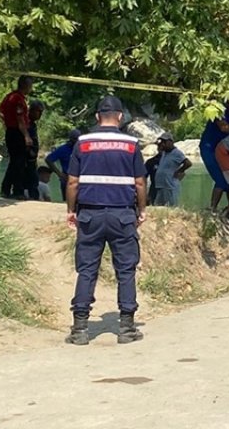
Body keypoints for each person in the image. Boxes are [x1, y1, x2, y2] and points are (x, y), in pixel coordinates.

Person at [64, 95, 147, 346]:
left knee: (87, 269)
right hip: (122, 215)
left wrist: (71, 210)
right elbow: (140, 182)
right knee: (126, 270)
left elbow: (72, 181)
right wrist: (141, 210)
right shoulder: (132, 144)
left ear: (97, 116)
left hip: (89, 215)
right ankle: (127, 327)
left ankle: (80, 328)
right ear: (120, 117)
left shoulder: (83, 142)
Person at [199, 100, 229, 212]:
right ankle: (212, 208)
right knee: (221, 178)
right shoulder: (219, 109)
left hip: (226, 149)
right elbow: (224, 127)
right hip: (210, 147)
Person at [0, 76, 33, 199]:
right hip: (17, 133)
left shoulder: (9, 97)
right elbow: (20, 120)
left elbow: (0, 112)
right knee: (19, 163)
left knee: (14, 162)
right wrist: (26, 136)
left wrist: (7, 122)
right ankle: (17, 191)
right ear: (25, 85)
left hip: (10, 132)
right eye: (30, 85)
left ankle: (6, 189)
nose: (31, 88)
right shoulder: (18, 99)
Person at [152, 132, 191, 206]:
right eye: (162, 142)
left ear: (171, 142)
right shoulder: (164, 153)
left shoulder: (177, 153)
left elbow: (188, 163)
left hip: (169, 185)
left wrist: (180, 171)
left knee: (170, 207)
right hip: (161, 185)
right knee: (158, 205)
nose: (163, 144)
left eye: (165, 142)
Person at [45, 129, 82, 202]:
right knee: (67, 202)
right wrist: (59, 174)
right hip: (67, 178)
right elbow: (48, 159)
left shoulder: (82, 148)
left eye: (78, 139)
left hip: (81, 178)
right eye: (74, 139)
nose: (76, 141)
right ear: (70, 139)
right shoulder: (63, 149)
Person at [24, 100, 46, 200]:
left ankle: (33, 198)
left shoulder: (32, 124)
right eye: (38, 111)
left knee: (33, 182)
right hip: (26, 159)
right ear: (31, 110)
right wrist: (29, 152)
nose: (40, 114)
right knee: (30, 182)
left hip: (32, 159)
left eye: (41, 112)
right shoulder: (26, 123)